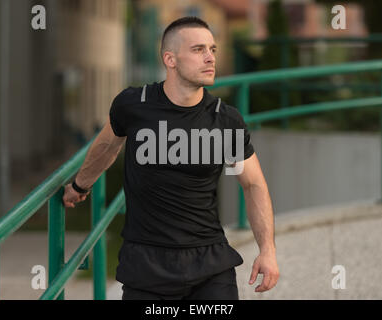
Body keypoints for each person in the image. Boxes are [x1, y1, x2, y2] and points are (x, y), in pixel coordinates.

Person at [62, 16, 279, 300]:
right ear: (170, 59)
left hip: (209, 265)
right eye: (198, 50)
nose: (210, 57)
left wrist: (268, 251)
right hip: (147, 265)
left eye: (212, 49)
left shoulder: (224, 120)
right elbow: (106, 147)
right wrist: (80, 186)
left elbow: (252, 184)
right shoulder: (134, 105)